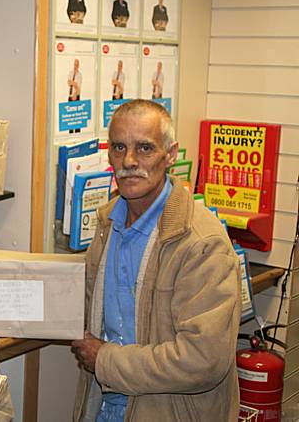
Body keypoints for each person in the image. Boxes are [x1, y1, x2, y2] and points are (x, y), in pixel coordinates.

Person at [70, 99, 241, 422]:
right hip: (104, 407)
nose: (129, 160)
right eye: (119, 147)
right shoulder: (108, 224)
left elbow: (203, 359)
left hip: (166, 412)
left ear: (171, 155)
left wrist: (105, 360)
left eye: (145, 148)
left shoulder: (201, 243)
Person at [67, 58, 83, 133]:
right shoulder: (70, 73)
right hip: (70, 96)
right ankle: (70, 133)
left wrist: (75, 94)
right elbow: (69, 82)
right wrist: (74, 83)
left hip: (76, 96)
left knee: (76, 118)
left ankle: (77, 134)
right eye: (75, 64)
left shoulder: (79, 75)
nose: (75, 65)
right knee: (70, 118)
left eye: (77, 64)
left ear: (78, 65)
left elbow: (78, 87)